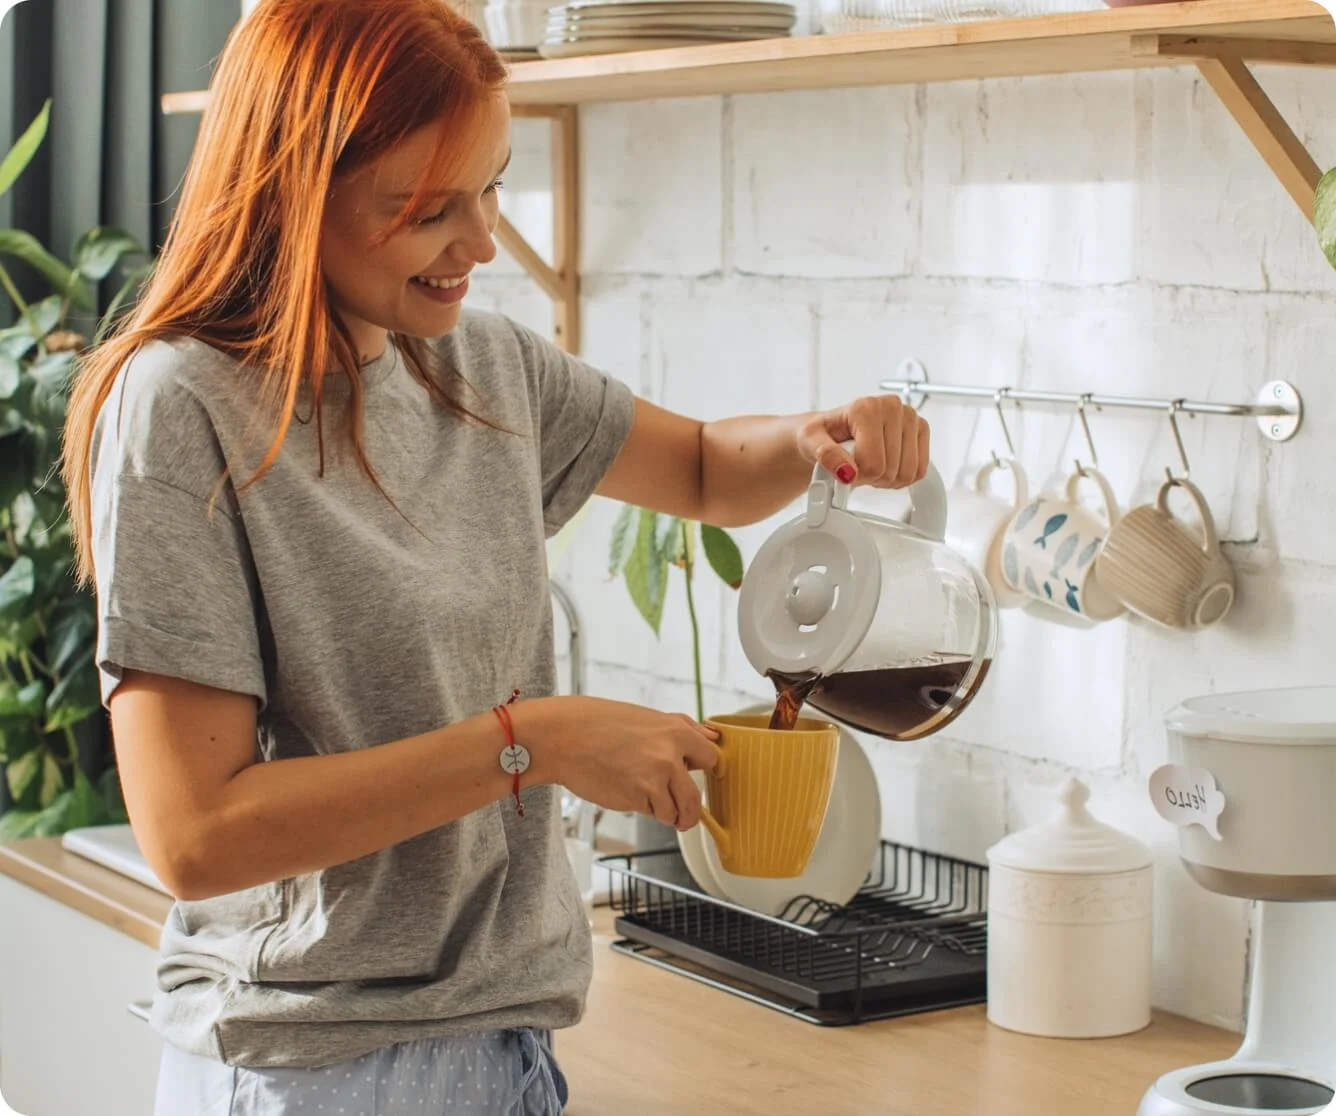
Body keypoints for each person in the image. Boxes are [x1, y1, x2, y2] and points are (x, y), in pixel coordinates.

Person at [60, 0, 931, 1112]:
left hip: (505, 1051)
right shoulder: (186, 406)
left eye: (492, 188)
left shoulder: (477, 366)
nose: (478, 243)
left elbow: (709, 469)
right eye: (427, 209)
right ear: (294, 191)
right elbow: (197, 837)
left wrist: (822, 439)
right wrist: (534, 745)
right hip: (316, 1070)